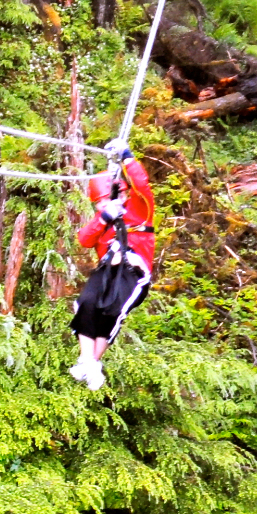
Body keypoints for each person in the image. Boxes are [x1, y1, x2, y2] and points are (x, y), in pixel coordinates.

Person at [68, 141, 156, 390]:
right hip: (107, 270)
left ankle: (93, 362)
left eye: (112, 200)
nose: (106, 205)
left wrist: (127, 158)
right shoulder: (102, 219)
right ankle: (87, 361)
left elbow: (142, 185)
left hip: (133, 272)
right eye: (101, 203)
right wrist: (104, 217)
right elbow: (84, 239)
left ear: (125, 194)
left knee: (112, 310)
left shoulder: (140, 210)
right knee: (85, 304)